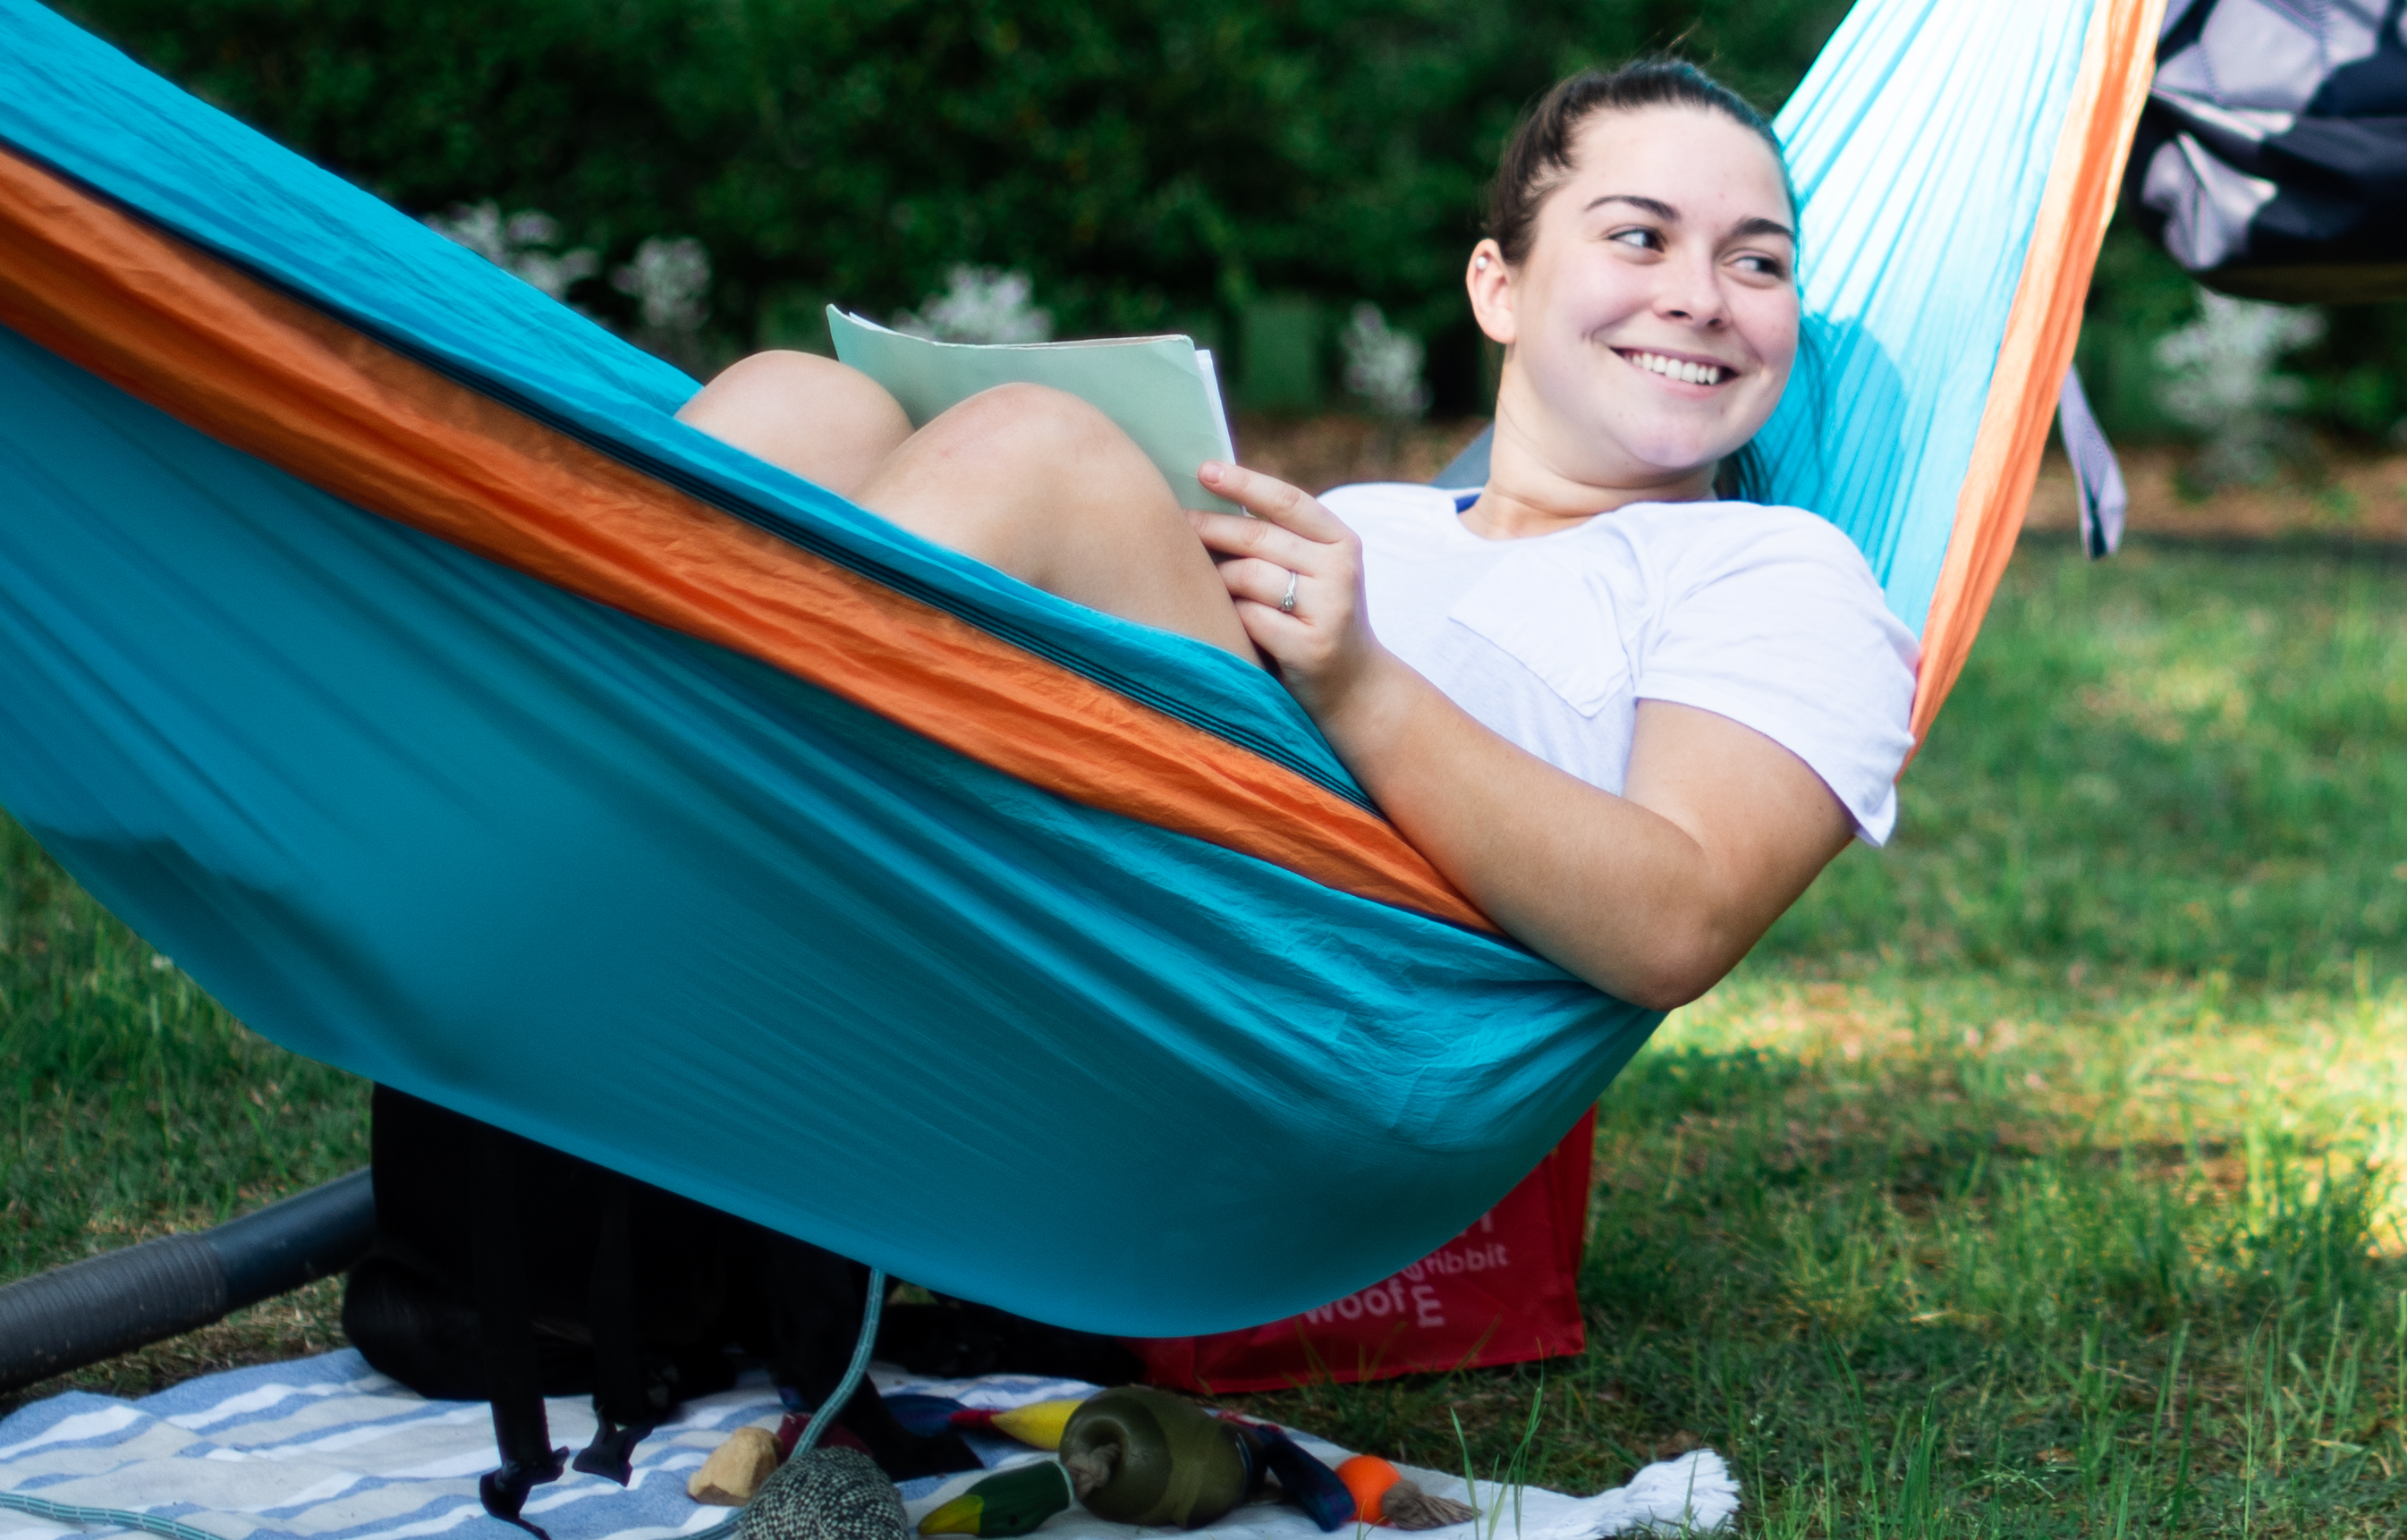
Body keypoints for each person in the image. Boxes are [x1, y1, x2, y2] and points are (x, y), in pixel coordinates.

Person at [676, 57, 1909, 1008]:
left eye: (1758, 263)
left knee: (1040, 454)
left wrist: (1356, 682)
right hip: (1087, 841)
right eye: (1640, 237)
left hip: (1302, 986)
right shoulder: (1373, 522)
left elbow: (1675, 924)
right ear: (1498, 288)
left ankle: (653, 826)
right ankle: (622, 737)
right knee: (805, 401)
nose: (1699, 296)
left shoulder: (1780, 571)